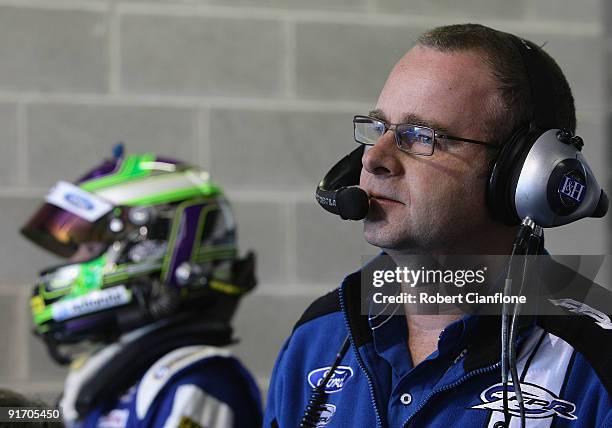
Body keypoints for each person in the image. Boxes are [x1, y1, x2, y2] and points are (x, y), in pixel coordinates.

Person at [264, 24, 611, 427]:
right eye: (378, 129)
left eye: (418, 136)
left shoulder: (598, 358)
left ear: (522, 175)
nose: (373, 158)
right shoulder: (318, 336)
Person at [21, 145, 262, 427]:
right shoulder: (108, 373)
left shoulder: (195, 383)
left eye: (87, 247)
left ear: (147, 249)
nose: (75, 260)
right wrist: (12, 413)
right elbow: (61, 416)